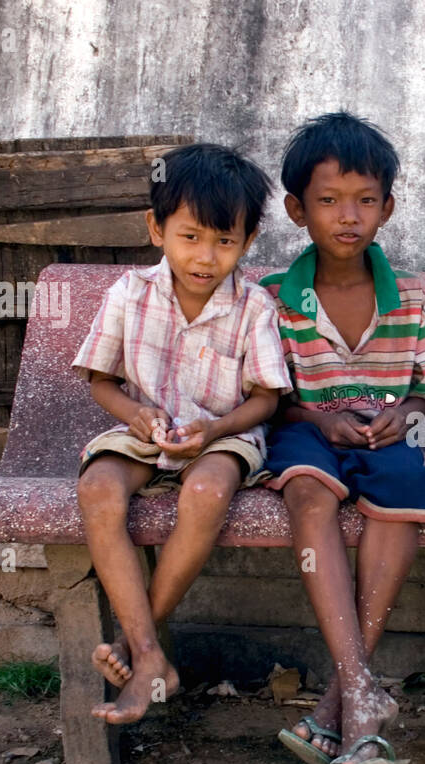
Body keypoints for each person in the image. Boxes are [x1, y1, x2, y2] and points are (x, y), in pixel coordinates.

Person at [262, 112, 425, 764]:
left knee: (400, 503)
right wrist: (317, 417)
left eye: (365, 200)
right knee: (309, 496)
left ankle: (343, 701)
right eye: (329, 200)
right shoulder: (274, 300)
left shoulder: (414, 302)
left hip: (385, 437)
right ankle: (361, 704)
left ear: (387, 208)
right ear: (296, 210)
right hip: (306, 432)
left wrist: (407, 414)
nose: (349, 216)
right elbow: (266, 398)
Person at [73, 143, 291, 725]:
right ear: (156, 228)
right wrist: (134, 414)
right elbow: (101, 382)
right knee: (97, 488)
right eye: (190, 236)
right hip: (146, 427)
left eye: (225, 242)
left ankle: (129, 646)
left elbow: (267, 398)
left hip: (221, 434)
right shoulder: (129, 293)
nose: (205, 256)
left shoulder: (254, 307)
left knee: (207, 490)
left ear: (247, 241)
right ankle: (149, 656)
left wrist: (215, 427)